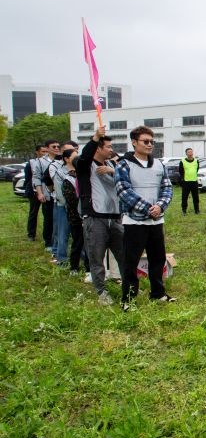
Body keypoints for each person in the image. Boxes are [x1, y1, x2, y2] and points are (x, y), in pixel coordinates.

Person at [115, 125, 175, 311]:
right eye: (145, 141)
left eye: (152, 142)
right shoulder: (124, 164)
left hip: (156, 222)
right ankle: (128, 299)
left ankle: (158, 293)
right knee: (130, 262)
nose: (150, 145)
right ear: (134, 142)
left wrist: (160, 206)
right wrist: (149, 209)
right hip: (134, 222)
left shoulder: (158, 164)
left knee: (157, 259)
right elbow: (123, 191)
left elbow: (167, 187)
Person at [73, 125, 124, 306]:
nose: (111, 150)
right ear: (98, 148)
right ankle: (102, 292)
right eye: (108, 147)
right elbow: (85, 157)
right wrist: (95, 138)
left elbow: (127, 179)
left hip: (115, 217)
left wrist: (114, 171)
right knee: (96, 258)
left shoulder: (112, 165)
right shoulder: (85, 166)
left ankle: (129, 286)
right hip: (95, 218)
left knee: (124, 256)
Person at [49, 140, 78, 265]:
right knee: (63, 232)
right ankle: (61, 258)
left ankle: (80, 257)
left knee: (78, 234)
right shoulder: (57, 169)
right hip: (63, 205)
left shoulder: (78, 169)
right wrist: (68, 204)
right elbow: (59, 191)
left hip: (77, 207)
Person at [61, 148, 88, 277]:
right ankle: (74, 267)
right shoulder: (68, 179)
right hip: (76, 217)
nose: (77, 158)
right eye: (74, 156)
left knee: (89, 244)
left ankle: (89, 268)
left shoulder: (83, 175)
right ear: (67, 159)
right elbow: (71, 200)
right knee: (78, 242)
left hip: (87, 215)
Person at [32, 139, 60, 252]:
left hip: (59, 195)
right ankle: (48, 242)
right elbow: (37, 178)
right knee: (48, 219)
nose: (57, 148)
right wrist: (40, 193)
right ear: (47, 148)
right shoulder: (40, 162)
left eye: (58, 146)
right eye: (54, 146)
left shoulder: (61, 159)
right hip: (48, 194)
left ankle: (58, 240)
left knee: (59, 219)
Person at [25, 144, 48, 242]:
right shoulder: (31, 163)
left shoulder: (49, 162)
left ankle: (48, 235)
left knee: (47, 214)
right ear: (37, 152)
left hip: (46, 191)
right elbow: (28, 179)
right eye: (43, 151)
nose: (45, 153)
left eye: (46, 151)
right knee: (33, 213)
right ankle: (31, 234)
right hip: (34, 192)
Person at [178, 147, 200, 215]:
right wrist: (183, 179)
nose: (190, 153)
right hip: (186, 182)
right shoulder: (182, 161)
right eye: (189, 152)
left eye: (191, 152)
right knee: (184, 197)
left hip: (194, 181)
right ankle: (184, 210)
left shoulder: (196, 161)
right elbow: (181, 171)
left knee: (196, 197)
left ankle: (197, 210)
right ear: (186, 154)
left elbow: (197, 169)